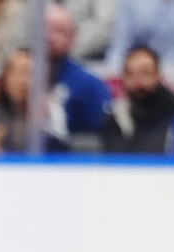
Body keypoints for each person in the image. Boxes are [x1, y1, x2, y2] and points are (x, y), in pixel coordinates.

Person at [43, 3, 111, 151]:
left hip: (69, 161)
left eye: (59, 31)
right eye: (45, 29)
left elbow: (100, 137)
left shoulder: (89, 85)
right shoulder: (19, 78)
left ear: (72, 38)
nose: (50, 37)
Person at [102, 44, 174, 152]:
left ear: (158, 76)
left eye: (145, 73)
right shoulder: (117, 116)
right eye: (130, 74)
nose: (138, 81)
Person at [0, 48, 68, 153]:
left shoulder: (53, 111)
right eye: (17, 73)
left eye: (29, 73)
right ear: (4, 79)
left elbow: (63, 148)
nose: (22, 81)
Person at [106, 0, 174, 68]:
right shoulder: (131, 2)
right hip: (135, 68)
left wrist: (161, 72)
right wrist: (114, 69)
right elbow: (120, 45)